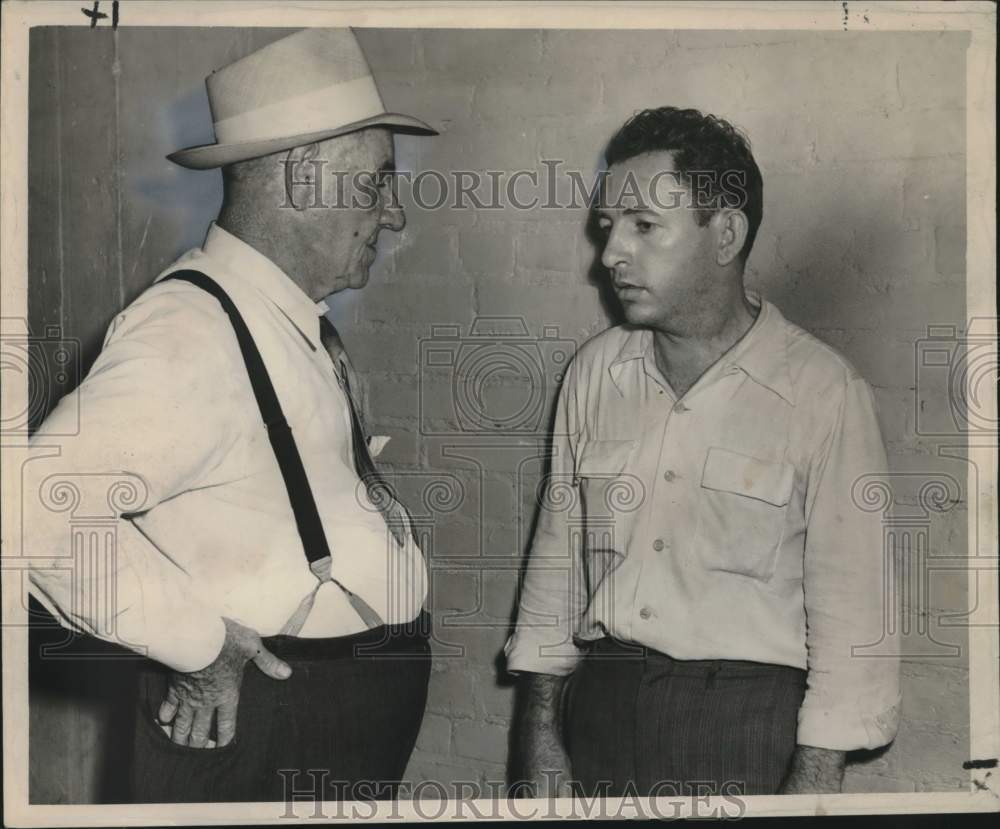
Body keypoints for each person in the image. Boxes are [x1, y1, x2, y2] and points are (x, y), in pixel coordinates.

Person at [25, 28, 437, 803]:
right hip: (268, 724)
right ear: (305, 176)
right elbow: (31, 511)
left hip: (337, 713)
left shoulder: (285, 316)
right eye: (378, 182)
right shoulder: (189, 333)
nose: (396, 214)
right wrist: (201, 644)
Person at [506, 106, 900, 797]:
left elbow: (854, 629)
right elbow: (554, 573)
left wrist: (810, 789)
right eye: (607, 228)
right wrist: (540, 739)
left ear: (725, 234)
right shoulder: (595, 374)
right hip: (599, 713)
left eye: (644, 227)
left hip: (747, 733)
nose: (611, 254)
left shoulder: (824, 393)